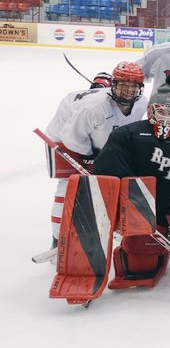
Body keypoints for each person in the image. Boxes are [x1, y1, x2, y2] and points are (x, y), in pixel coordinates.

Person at [93, 72, 170, 289]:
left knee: (147, 256)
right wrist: (130, 203)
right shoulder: (126, 134)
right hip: (134, 212)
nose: (166, 117)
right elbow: (107, 168)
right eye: (161, 111)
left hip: (166, 212)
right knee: (138, 260)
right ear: (151, 110)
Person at [38, 72, 111, 257]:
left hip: (57, 139)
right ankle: (67, 238)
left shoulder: (75, 94)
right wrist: (90, 155)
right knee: (79, 186)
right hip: (65, 141)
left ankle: (57, 240)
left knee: (66, 187)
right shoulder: (101, 102)